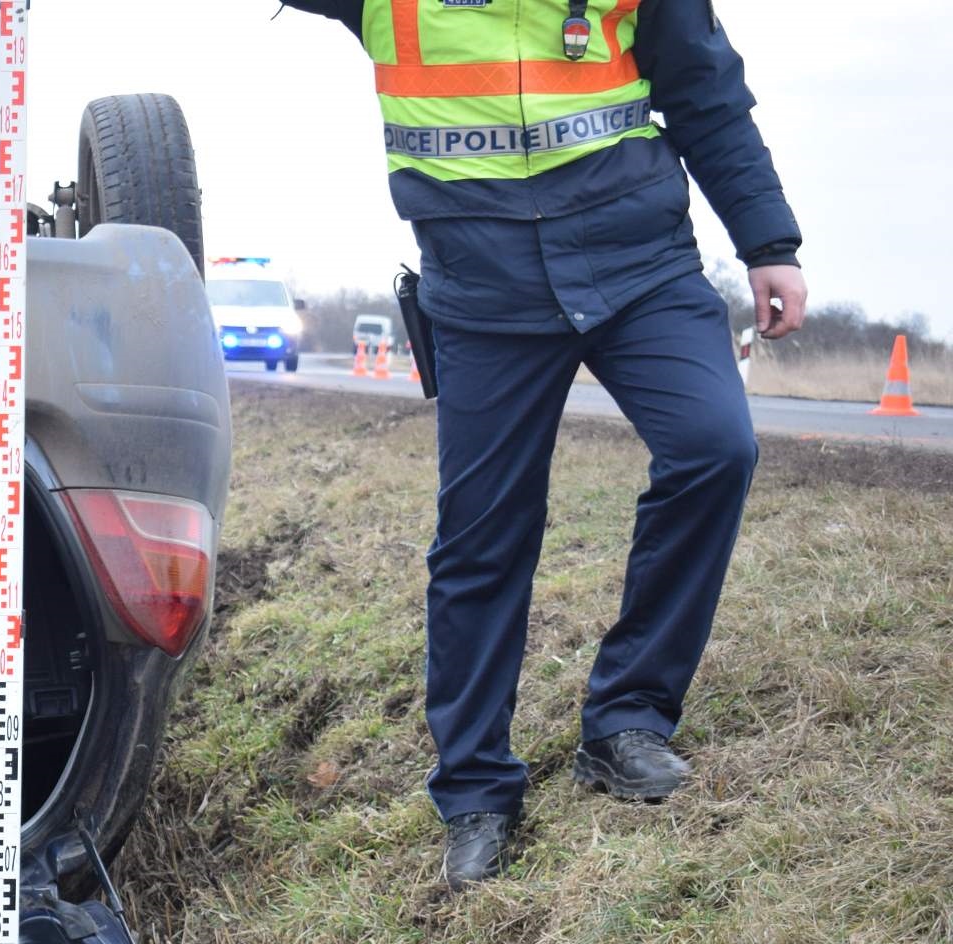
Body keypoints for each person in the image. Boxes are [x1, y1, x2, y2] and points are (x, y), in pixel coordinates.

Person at [278, 0, 807, 889]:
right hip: (482, 289)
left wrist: (767, 241)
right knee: (482, 536)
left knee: (716, 448)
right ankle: (476, 793)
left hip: (640, 262)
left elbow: (704, 89)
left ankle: (626, 720)